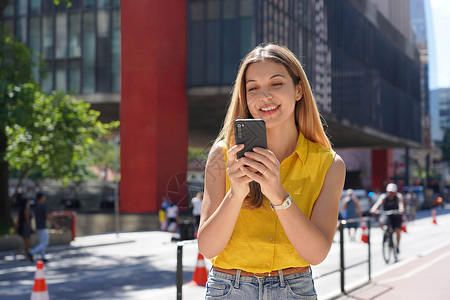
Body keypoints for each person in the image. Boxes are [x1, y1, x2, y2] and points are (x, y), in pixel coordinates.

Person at [197, 43, 346, 299]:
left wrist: (278, 195)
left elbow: (317, 254)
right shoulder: (223, 155)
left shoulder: (329, 164)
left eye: (276, 84)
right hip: (228, 288)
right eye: (253, 88)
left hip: (294, 289)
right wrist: (237, 193)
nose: (264, 97)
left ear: (298, 90)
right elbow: (208, 248)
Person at [370, 183, 404, 253]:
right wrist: (373, 209)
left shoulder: (398, 196)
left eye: (392, 192)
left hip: (396, 215)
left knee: (397, 230)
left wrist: (401, 209)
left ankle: (397, 246)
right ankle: (386, 235)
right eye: (389, 192)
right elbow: (378, 203)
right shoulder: (384, 197)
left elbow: (401, 204)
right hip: (386, 215)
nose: (390, 193)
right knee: (382, 223)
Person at [28, 192, 60, 262]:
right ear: (41, 198)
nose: (45, 198)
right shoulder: (42, 206)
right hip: (42, 226)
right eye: (44, 197)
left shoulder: (36, 206)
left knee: (42, 242)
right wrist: (54, 224)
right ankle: (32, 252)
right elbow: (47, 216)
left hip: (38, 226)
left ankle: (42, 257)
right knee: (45, 242)